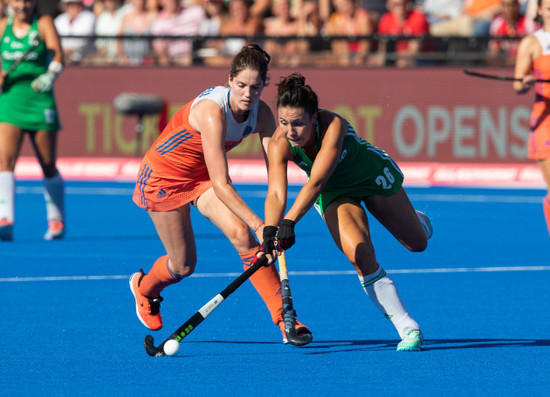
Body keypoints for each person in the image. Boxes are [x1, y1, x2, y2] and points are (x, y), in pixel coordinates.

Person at [129, 44, 312, 345]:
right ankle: (145, 288)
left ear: (265, 85)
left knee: (243, 236)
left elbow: (275, 179)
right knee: (183, 266)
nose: (247, 94)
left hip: (201, 178)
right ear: (229, 80)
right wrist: (260, 224)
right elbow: (223, 183)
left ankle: (285, 320)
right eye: (240, 85)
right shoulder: (214, 113)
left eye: (255, 87)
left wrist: (275, 225)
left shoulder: (263, 115)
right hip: (165, 177)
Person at [262, 73, 432, 351]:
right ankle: (407, 327)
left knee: (417, 244)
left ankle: (418, 221)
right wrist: (270, 229)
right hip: (335, 193)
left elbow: (315, 180)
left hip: (371, 175)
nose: (290, 132)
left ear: (314, 117)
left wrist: (290, 221)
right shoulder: (280, 143)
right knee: (360, 255)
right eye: (283, 123)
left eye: (297, 123)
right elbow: (276, 193)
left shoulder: (334, 126)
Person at [0, 0, 65, 241]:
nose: (23, 5)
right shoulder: (2, 27)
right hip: (10, 100)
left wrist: (51, 74)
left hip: (39, 99)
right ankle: (4, 219)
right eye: (17, 0)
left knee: (47, 164)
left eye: (27, 1)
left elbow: (58, 55)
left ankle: (56, 219)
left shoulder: (44, 24)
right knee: (4, 160)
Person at [514, 0, 550, 238]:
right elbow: (518, 83)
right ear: (539, 10)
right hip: (546, 122)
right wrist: (525, 81)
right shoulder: (532, 43)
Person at [370, 0, 430, 67]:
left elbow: (414, 51)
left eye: (404, 4)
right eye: (396, 4)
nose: (401, 8)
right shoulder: (385, 19)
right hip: (395, 57)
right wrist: (380, 58)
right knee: (374, 61)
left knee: (403, 63)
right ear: (389, 5)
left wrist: (394, 57)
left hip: (422, 59)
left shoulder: (418, 18)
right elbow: (383, 47)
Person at [151, 0, 205, 66]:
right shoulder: (158, 24)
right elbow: (161, 54)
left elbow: (206, 38)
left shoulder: (196, 12)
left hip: (196, 62)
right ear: (161, 2)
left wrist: (192, 58)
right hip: (171, 66)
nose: (171, 1)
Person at [323, 0, 375, 66]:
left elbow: (366, 43)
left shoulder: (363, 16)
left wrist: (359, 60)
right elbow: (338, 47)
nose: (345, 8)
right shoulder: (334, 21)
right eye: (341, 6)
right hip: (344, 59)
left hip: (362, 58)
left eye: (346, 4)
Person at [487, 0, 536, 66]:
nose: (509, 9)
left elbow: (532, 51)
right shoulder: (497, 24)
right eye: (506, 5)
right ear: (501, 7)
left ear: (518, 6)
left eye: (513, 5)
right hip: (504, 66)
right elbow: (494, 53)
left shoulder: (528, 22)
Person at [54, 0, 96, 64]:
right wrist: (62, 51)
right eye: (71, 5)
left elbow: (85, 38)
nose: (74, 7)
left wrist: (69, 50)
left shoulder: (89, 17)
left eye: (77, 4)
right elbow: (54, 38)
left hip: (84, 60)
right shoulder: (59, 19)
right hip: (64, 59)